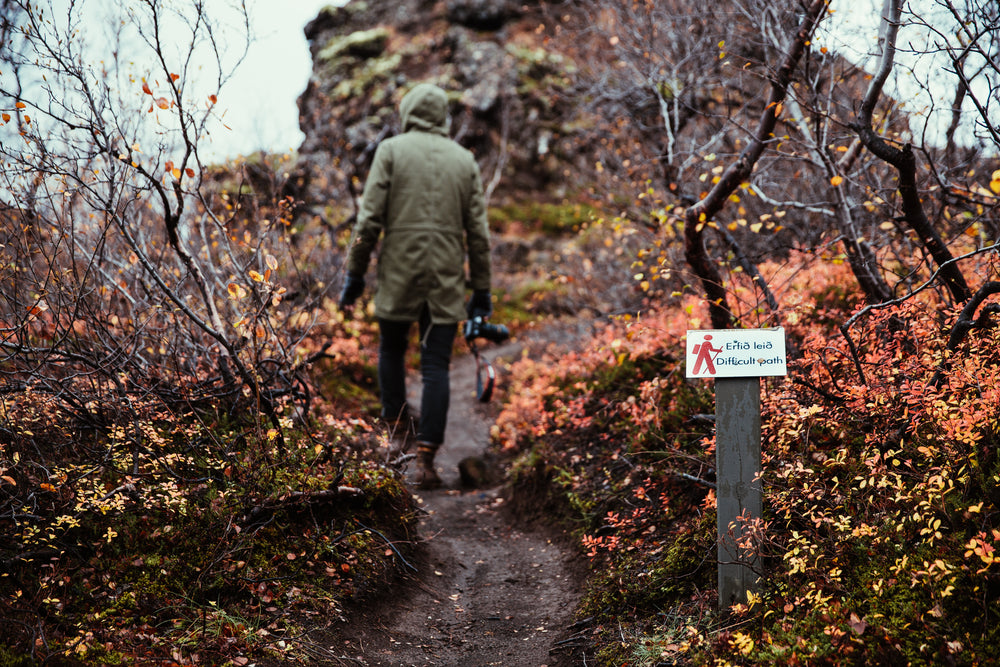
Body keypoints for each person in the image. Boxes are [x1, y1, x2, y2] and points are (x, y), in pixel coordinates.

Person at [337, 82, 494, 490]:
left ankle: (394, 439)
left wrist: (354, 274)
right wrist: (482, 290)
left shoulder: (390, 151)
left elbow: (368, 220)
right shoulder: (463, 160)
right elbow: (478, 234)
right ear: (442, 117)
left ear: (407, 112)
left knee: (391, 349)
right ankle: (426, 462)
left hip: (399, 272)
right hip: (444, 276)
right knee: (435, 366)